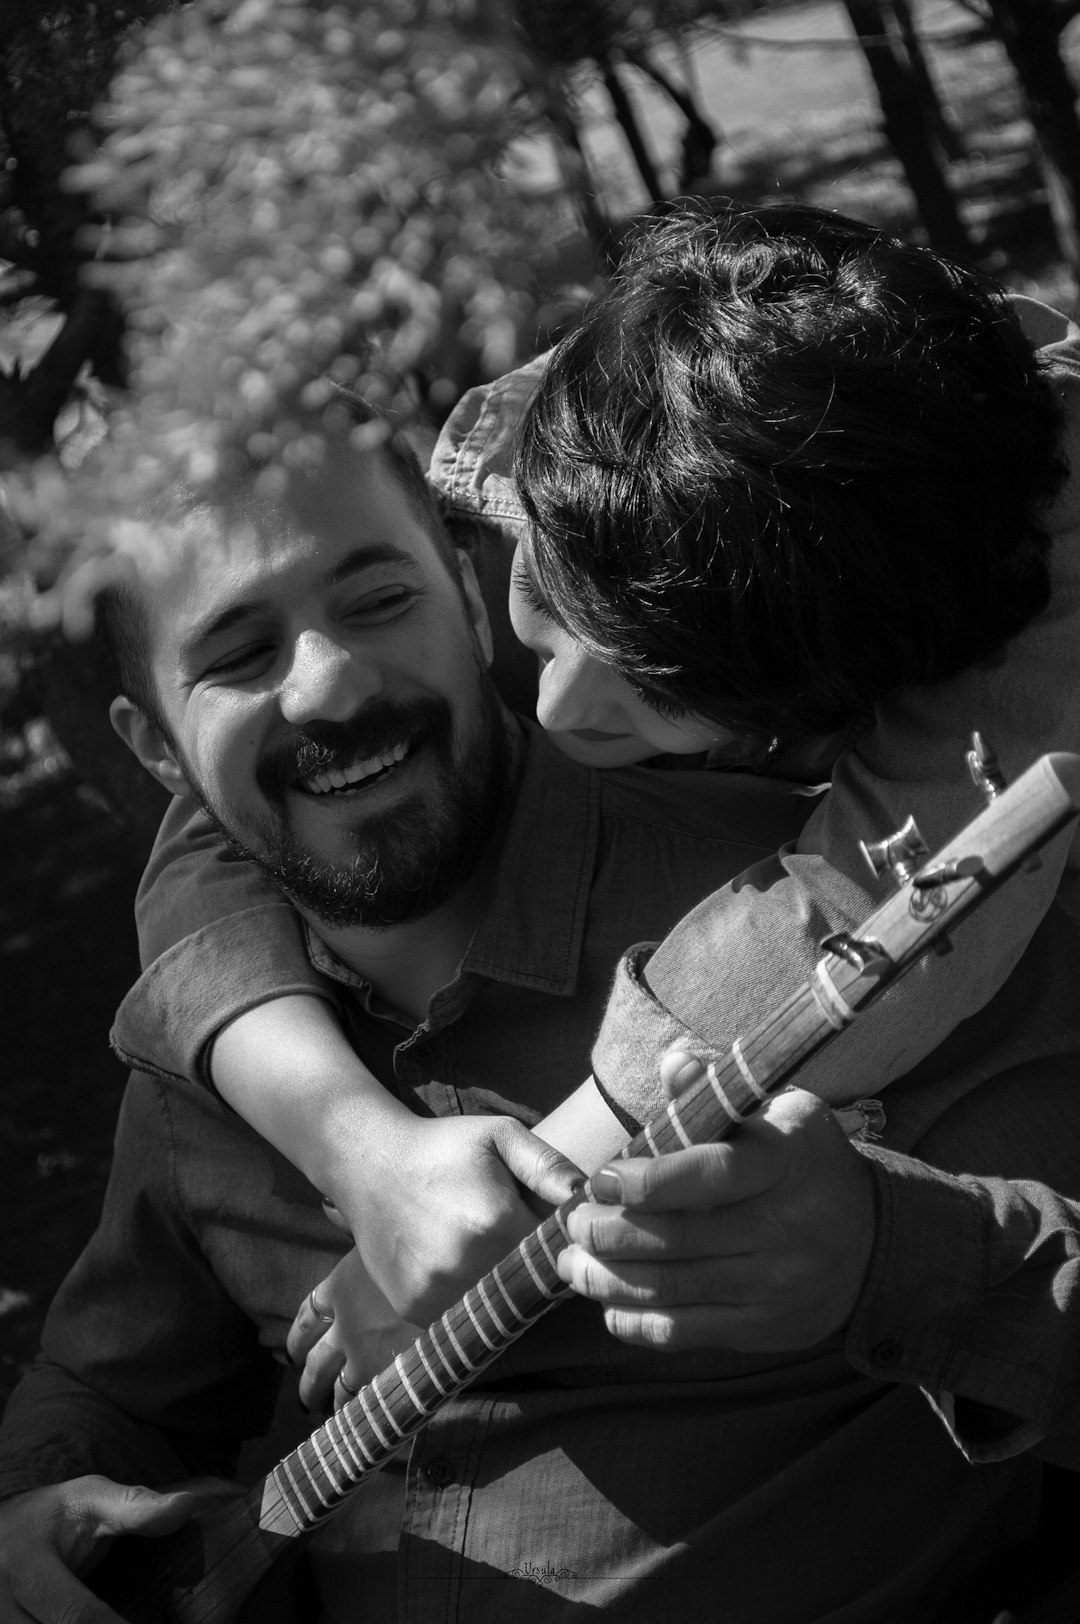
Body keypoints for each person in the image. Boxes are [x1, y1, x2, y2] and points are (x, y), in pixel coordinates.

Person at [2, 416, 1079, 1623]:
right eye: (239, 654)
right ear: (154, 746)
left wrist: (885, 1257)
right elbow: (110, 1393)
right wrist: (29, 1513)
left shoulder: (829, 909)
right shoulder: (207, 1066)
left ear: (470, 593)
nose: (332, 684)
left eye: (376, 599)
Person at [111, 201, 1080, 1337]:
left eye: (664, 689)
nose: (560, 703)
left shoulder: (1011, 607)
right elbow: (218, 799)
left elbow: (872, 916)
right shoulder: (574, 446)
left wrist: (525, 1197)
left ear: (853, 682)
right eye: (549, 598)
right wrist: (362, 1152)